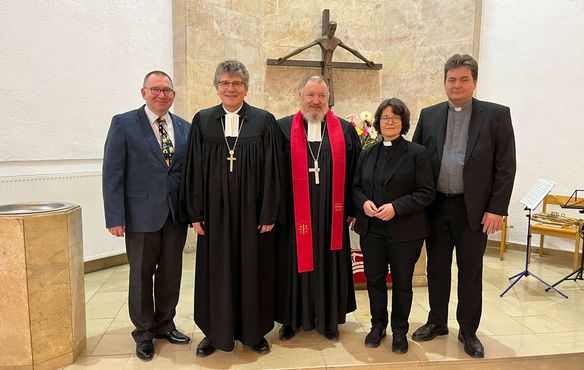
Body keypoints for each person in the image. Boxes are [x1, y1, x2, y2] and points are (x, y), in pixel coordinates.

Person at [412, 54, 516, 358]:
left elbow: (505, 166)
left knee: (470, 271)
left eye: (463, 79)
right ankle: (436, 322)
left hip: (474, 210)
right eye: (451, 79)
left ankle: (468, 331)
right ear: (444, 82)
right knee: (437, 269)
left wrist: (497, 208)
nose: (456, 85)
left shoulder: (496, 115)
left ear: (474, 82)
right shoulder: (428, 115)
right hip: (436, 207)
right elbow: (417, 160)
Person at [180, 60, 284, 357]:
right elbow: (194, 170)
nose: (230, 88)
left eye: (236, 83)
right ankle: (214, 333)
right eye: (225, 83)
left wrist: (268, 212)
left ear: (246, 88)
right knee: (216, 271)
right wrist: (195, 212)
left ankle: (254, 332)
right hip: (215, 216)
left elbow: (273, 172)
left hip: (252, 215)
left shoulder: (264, 121)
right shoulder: (203, 120)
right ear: (217, 87)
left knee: (254, 270)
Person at [102, 71, 191, 361]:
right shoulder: (124, 123)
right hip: (140, 215)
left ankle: (165, 324)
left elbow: (188, 174)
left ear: (173, 95)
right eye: (155, 89)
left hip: (175, 215)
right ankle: (144, 333)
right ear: (143, 92)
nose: (161, 94)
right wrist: (115, 216)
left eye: (167, 90)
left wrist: (193, 211)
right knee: (141, 275)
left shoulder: (184, 127)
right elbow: (113, 172)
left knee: (170, 273)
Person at [276, 75, 360, 341]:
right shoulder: (282, 128)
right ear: (300, 96)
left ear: (328, 99)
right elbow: (272, 174)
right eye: (310, 95)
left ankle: (330, 318)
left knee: (329, 262)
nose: (315, 101)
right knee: (293, 265)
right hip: (293, 216)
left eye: (321, 96)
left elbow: (356, 174)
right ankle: (291, 319)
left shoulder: (345, 130)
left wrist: (352, 208)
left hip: (330, 216)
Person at [352, 98, 435, 353]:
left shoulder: (417, 154)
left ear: (403, 123)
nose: (389, 122)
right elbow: (355, 187)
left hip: (405, 231)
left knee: (401, 283)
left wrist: (395, 207)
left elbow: (426, 192)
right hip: (372, 230)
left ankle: (400, 330)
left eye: (395, 118)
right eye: (385, 118)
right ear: (377, 122)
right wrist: (364, 203)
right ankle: (378, 326)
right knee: (375, 280)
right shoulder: (367, 153)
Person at [275, 21, 376, 106]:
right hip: (324, 70)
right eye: (331, 28)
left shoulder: (337, 41)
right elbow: (302, 48)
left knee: (330, 97)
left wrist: (367, 61)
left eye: (334, 29)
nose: (333, 31)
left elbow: (353, 51)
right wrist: (284, 57)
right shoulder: (322, 40)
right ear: (327, 28)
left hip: (329, 70)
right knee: (323, 93)